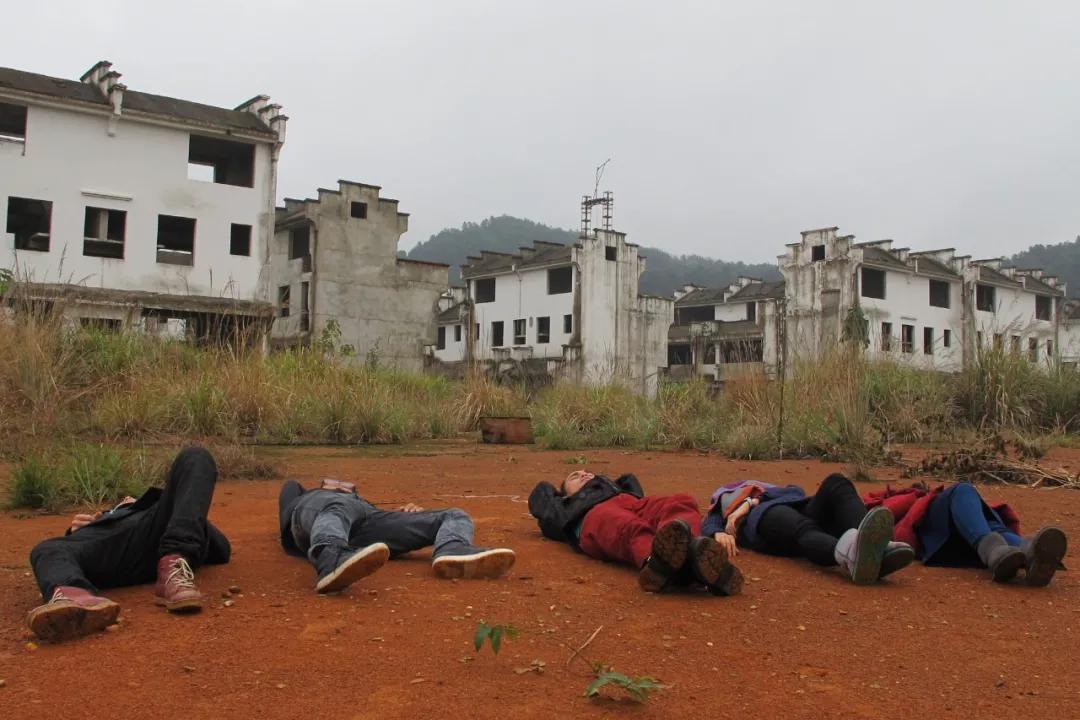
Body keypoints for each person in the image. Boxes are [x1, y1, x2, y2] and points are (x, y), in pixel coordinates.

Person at [26, 447, 229, 642]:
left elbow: (221, 550)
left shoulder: (160, 509)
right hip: (108, 550)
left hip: (157, 535)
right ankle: (74, 599)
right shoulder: (105, 518)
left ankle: (173, 568)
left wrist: (186, 510)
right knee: (47, 548)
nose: (125, 499)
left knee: (196, 456)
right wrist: (81, 529)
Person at [278, 478, 516, 592]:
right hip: (320, 513)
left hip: (368, 520)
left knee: (454, 514)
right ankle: (330, 555)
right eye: (332, 481)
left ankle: (452, 547)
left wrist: (402, 515)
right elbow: (290, 487)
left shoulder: (359, 502)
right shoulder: (310, 497)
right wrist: (315, 494)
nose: (341, 484)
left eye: (346, 484)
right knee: (337, 507)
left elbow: (374, 518)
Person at [528, 470, 742, 595]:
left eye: (588, 472)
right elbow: (540, 496)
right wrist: (556, 496)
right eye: (575, 476)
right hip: (594, 515)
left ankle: (691, 550)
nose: (584, 474)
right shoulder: (565, 509)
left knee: (681, 501)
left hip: (633, 503)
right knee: (628, 527)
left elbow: (630, 480)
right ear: (564, 495)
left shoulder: (619, 488)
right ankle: (656, 562)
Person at [704, 474, 914, 585]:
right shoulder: (722, 496)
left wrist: (750, 502)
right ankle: (852, 556)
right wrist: (717, 533)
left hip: (799, 506)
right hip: (763, 520)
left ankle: (875, 545)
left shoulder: (767, 490)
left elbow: (796, 491)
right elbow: (709, 521)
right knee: (802, 528)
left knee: (836, 482)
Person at [864, 481, 1068, 585]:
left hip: (953, 544)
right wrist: (918, 497)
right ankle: (1014, 549)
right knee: (962, 490)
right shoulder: (893, 500)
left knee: (988, 525)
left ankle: (1028, 553)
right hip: (928, 531)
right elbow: (885, 514)